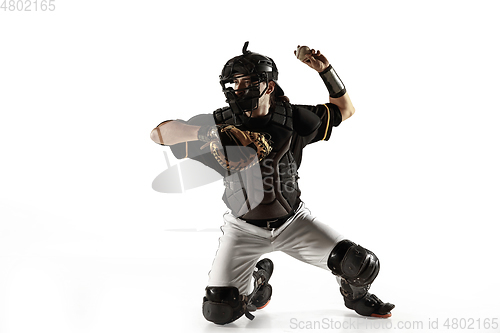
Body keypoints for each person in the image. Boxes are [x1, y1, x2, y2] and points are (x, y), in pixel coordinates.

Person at [150, 42, 395, 325]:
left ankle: (354, 295)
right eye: (235, 82)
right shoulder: (219, 124)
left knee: (360, 265)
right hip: (242, 228)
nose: (239, 89)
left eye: (248, 81)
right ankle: (258, 285)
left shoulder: (294, 118)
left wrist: (325, 70)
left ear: (268, 85)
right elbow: (159, 134)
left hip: (293, 222)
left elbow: (346, 109)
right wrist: (207, 133)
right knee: (219, 311)